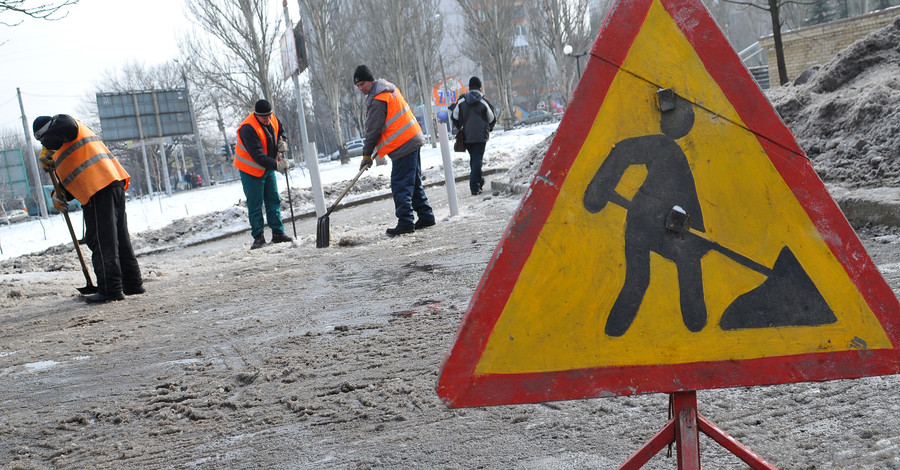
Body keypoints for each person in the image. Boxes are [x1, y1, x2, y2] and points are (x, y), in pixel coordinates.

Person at [33, 114, 144, 304]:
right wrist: (58, 194)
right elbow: (75, 175)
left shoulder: (65, 124)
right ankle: (133, 283)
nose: (44, 143)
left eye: (43, 138)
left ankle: (110, 289)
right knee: (119, 238)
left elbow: (64, 124)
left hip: (99, 187)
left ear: (48, 132)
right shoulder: (60, 146)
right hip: (109, 183)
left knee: (102, 240)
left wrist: (47, 147)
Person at [354, 65, 436, 236]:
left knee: (400, 185)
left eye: (363, 84)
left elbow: (372, 131)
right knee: (413, 183)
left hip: (403, 144)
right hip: (412, 139)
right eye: (358, 86)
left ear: (371, 80)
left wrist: (366, 155)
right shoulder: (389, 90)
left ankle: (406, 222)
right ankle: (426, 216)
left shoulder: (378, 99)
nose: (361, 88)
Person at [234, 99, 292, 249]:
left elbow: (281, 130)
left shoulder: (272, 118)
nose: (268, 119)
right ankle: (258, 237)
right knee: (255, 204)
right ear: (256, 115)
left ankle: (278, 234)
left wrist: (282, 141)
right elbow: (257, 155)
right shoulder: (248, 128)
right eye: (264, 117)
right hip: (250, 170)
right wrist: (277, 165)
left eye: (269, 115)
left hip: (267, 167)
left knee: (273, 199)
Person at [450, 76, 497, 195]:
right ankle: (475, 186)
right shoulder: (483, 101)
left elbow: (454, 117)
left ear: (469, 87)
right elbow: (492, 118)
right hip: (481, 135)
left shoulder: (461, 101)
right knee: (477, 160)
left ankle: (479, 181)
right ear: (480, 87)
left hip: (466, 135)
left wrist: (461, 126)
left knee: (474, 159)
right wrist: (488, 128)